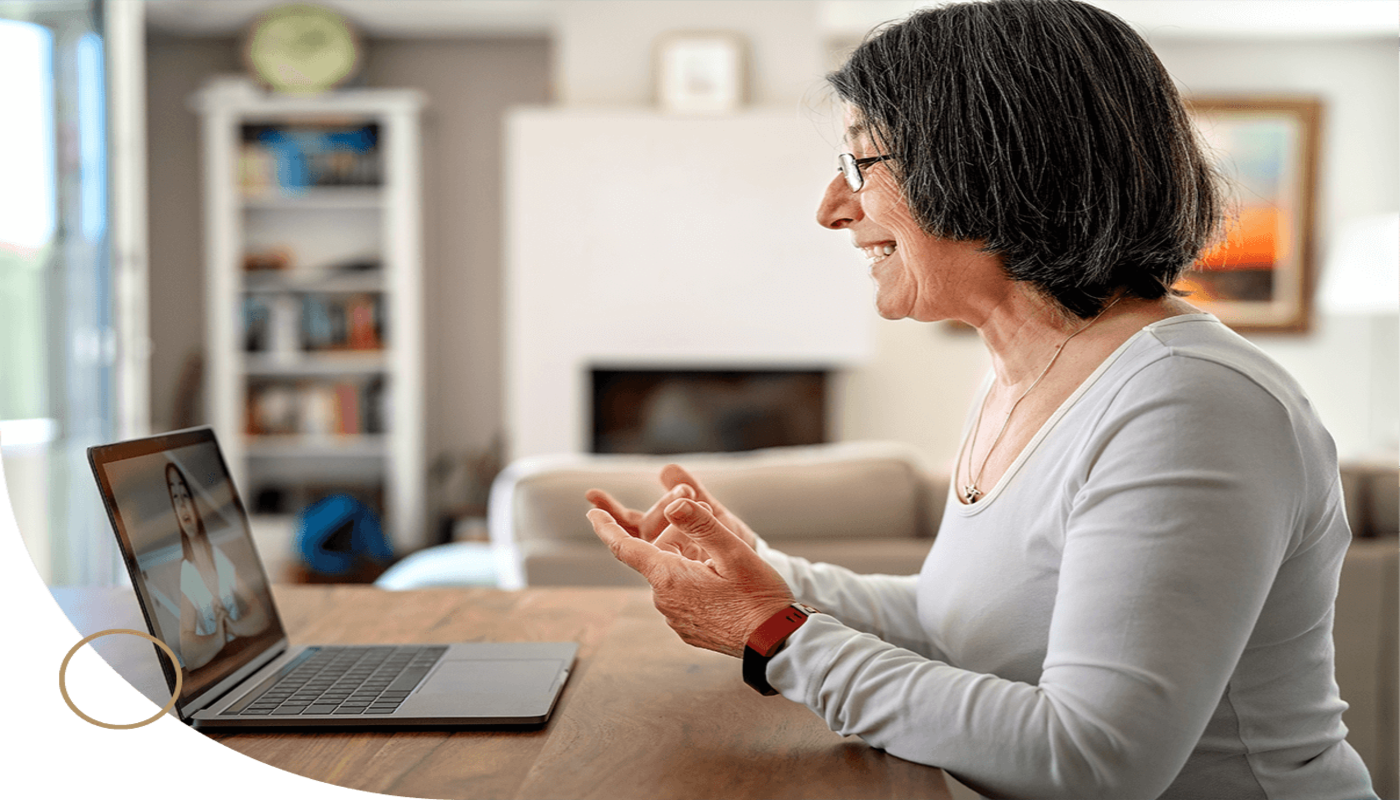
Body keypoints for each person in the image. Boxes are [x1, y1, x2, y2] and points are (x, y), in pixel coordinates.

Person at [583, 2, 1378, 798]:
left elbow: (1094, 761)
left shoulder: (1188, 404)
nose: (831, 206)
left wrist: (776, 637)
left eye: (862, 163)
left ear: (991, 165)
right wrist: (762, 579)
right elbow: (955, 624)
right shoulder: (1021, 369)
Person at [166, 462, 269, 670]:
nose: (183, 505)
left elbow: (260, 615)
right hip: (218, 664)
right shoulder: (188, 571)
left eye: (185, 496)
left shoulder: (218, 556)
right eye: (175, 498)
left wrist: (232, 626)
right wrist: (218, 637)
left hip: (242, 654)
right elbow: (188, 650)